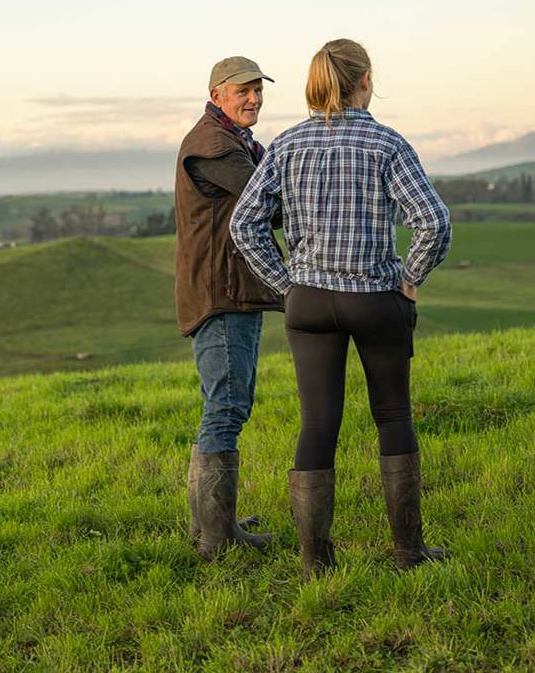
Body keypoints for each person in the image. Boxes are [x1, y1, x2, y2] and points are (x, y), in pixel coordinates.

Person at [229, 38, 452, 579]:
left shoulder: (286, 145)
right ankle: (408, 552)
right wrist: (408, 280)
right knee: (393, 416)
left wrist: (287, 284)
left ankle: (315, 564)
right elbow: (434, 222)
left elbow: (244, 224)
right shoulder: (386, 143)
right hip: (374, 297)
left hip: (307, 301)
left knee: (318, 423)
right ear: (365, 81)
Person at [174, 56, 285, 560]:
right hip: (221, 293)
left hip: (231, 288)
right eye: (243, 91)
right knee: (226, 407)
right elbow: (268, 200)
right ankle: (217, 539)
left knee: (223, 405)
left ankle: (212, 526)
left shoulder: (233, 141)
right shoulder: (213, 145)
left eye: (258, 90)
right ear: (216, 94)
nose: (254, 99)